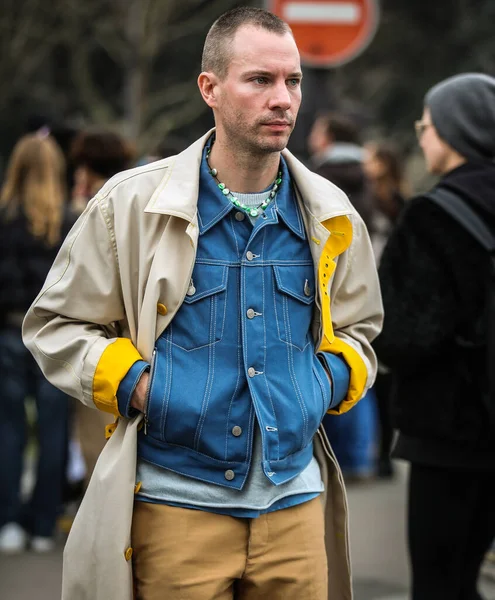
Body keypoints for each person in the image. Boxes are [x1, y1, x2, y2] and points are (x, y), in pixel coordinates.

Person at [23, 7, 383, 600]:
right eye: (260, 80)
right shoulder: (130, 204)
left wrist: (323, 383)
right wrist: (144, 387)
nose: (283, 99)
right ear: (209, 88)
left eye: (292, 81)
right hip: (175, 510)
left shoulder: (330, 211)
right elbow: (55, 325)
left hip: (296, 509)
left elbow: (363, 328)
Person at [375, 73, 495, 600]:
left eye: (427, 125)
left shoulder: (433, 214)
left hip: (450, 434)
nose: (422, 135)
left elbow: (403, 334)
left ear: (453, 131)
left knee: (441, 581)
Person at [0, 132, 74, 553]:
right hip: (53, 334)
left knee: (8, 429)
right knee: (53, 429)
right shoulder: (68, 220)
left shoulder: (3, 216)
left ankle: (8, 520)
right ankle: (45, 524)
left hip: (9, 330)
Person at [69, 128, 136, 487]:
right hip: (137, 343)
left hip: (101, 341)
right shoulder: (140, 199)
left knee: (98, 442)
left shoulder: (93, 210)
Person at [364, 142, 408, 478]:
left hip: (386, 292)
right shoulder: (384, 199)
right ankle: (382, 451)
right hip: (380, 290)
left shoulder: (390, 202)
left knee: (384, 380)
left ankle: (383, 451)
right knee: (380, 378)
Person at [308, 112, 373, 229]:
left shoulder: (319, 176)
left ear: (329, 138)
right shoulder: (368, 170)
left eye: (317, 132)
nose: (311, 137)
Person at [70, 128, 135, 214]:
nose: (77, 174)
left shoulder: (89, 205)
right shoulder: (130, 195)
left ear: (87, 168)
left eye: (80, 165)